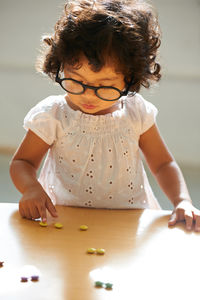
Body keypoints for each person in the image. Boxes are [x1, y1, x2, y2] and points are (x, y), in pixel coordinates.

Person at [9, 0, 200, 231]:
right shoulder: (54, 115)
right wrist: (31, 188)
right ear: (61, 66)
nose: (88, 95)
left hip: (128, 222)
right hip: (65, 220)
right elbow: (22, 162)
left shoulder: (136, 112)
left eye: (104, 85)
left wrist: (183, 201)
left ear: (130, 77)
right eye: (76, 81)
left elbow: (163, 164)